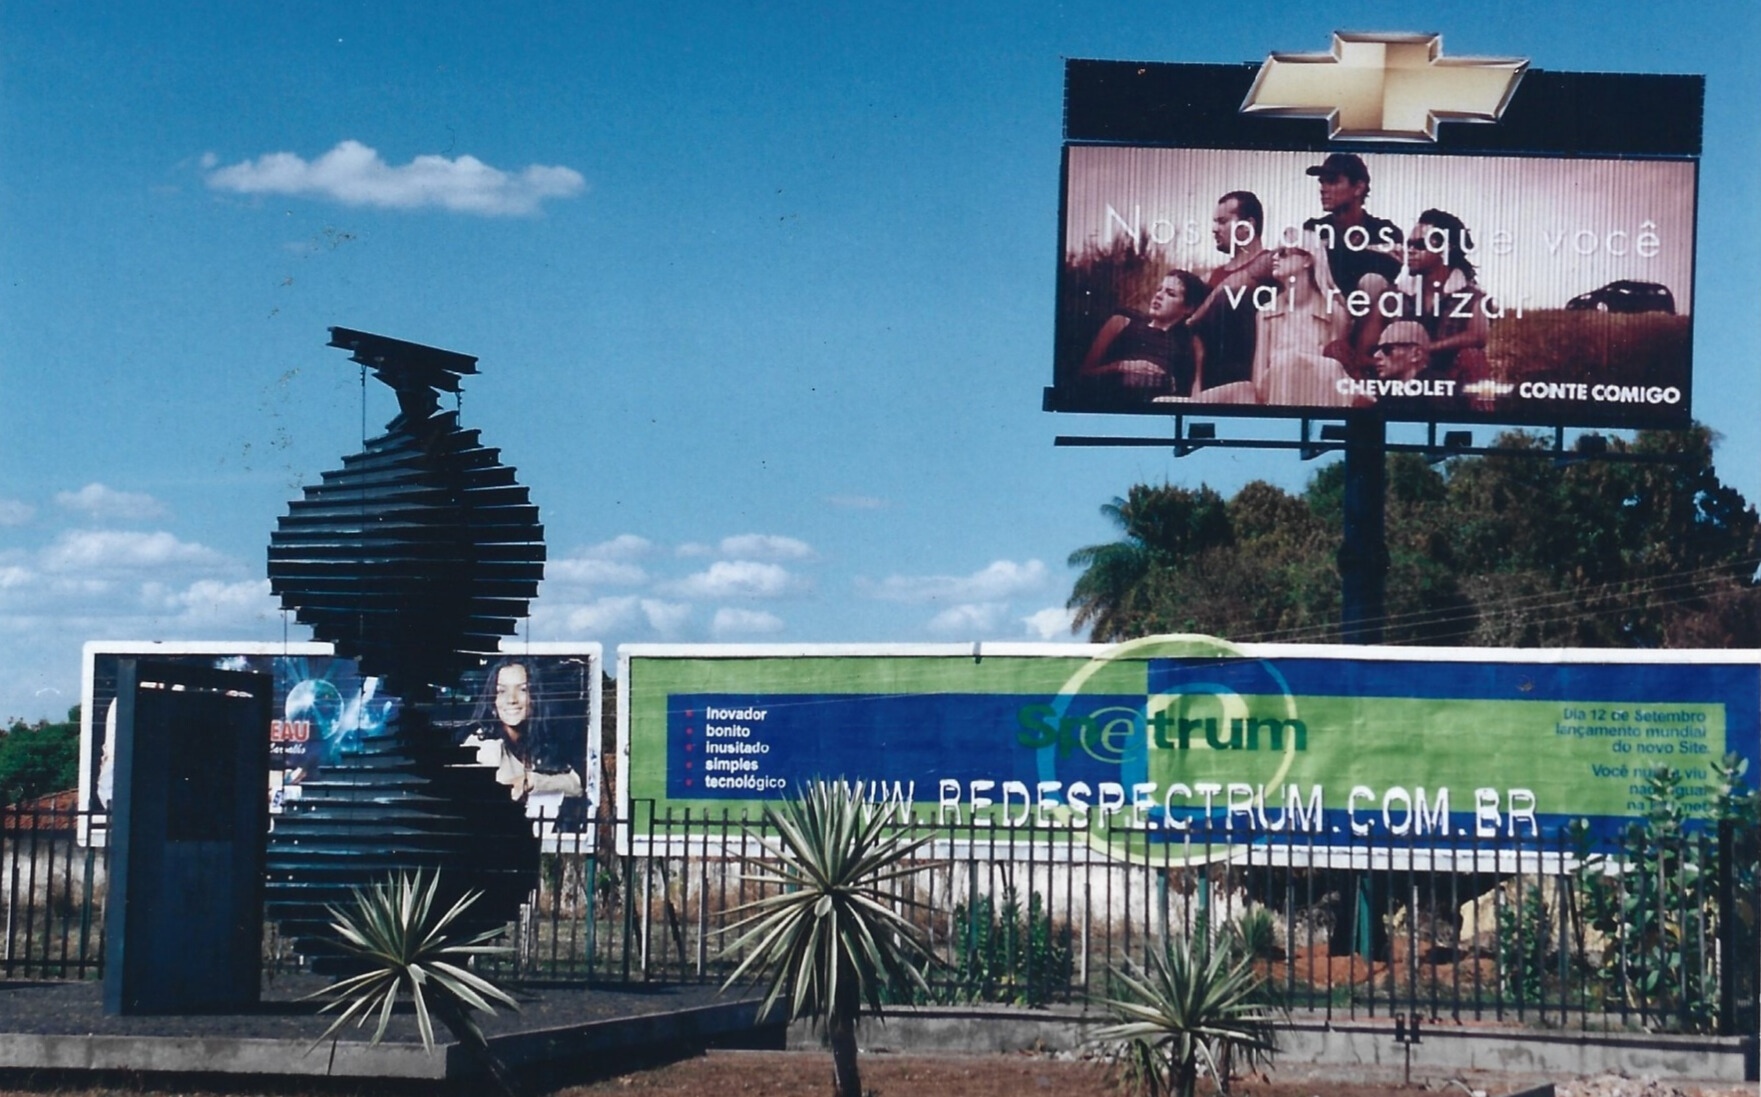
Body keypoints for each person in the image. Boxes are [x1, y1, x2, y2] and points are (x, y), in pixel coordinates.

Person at [1302, 154, 1402, 370]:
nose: (1323, 188)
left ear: (1358, 188)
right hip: (1327, 309)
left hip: (1365, 321)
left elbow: (1388, 268)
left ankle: (1358, 358)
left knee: (1373, 281)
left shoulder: (1384, 229)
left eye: (1333, 181)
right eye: (1322, 182)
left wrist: (1335, 253)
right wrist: (1365, 252)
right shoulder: (1314, 227)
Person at [459, 658, 584, 817]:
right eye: (502, 691)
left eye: (523, 689)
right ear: (493, 701)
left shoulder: (542, 743)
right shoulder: (484, 746)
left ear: (535, 698)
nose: (512, 699)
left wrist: (532, 781)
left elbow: (575, 785)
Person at [1396, 209, 1494, 410]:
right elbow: (1366, 346)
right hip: (1398, 378)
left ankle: (1482, 427)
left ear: (1445, 247)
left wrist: (1425, 349)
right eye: (1409, 245)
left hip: (1448, 381)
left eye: (1420, 245)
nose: (1411, 251)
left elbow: (1478, 335)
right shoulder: (1395, 294)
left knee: (1473, 358)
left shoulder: (1472, 295)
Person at [1188, 190, 1274, 398]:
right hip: (1210, 381)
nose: (1214, 229)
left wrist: (1197, 316)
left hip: (1252, 377)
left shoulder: (1272, 261)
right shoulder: (1210, 276)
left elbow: (1235, 285)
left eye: (1222, 221)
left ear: (1248, 225)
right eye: (1215, 222)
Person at [1250, 242, 1356, 407]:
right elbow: (1259, 380)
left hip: (1320, 405)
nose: (1275, 257)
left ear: (1307, 260)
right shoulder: (1265, 313)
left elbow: (1336, 377)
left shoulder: (1335, 314)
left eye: (1284, 252)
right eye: (1275, 252)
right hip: (1278, 405)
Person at [1076, 269, 1207, 401]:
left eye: (1170, 294)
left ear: (1188, 308)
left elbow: (1196, 395)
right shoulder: (1121, 322)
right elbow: (1083, 375)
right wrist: (1120, 366)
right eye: (1159, 289)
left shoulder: (1191, 342)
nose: (1159, 296)